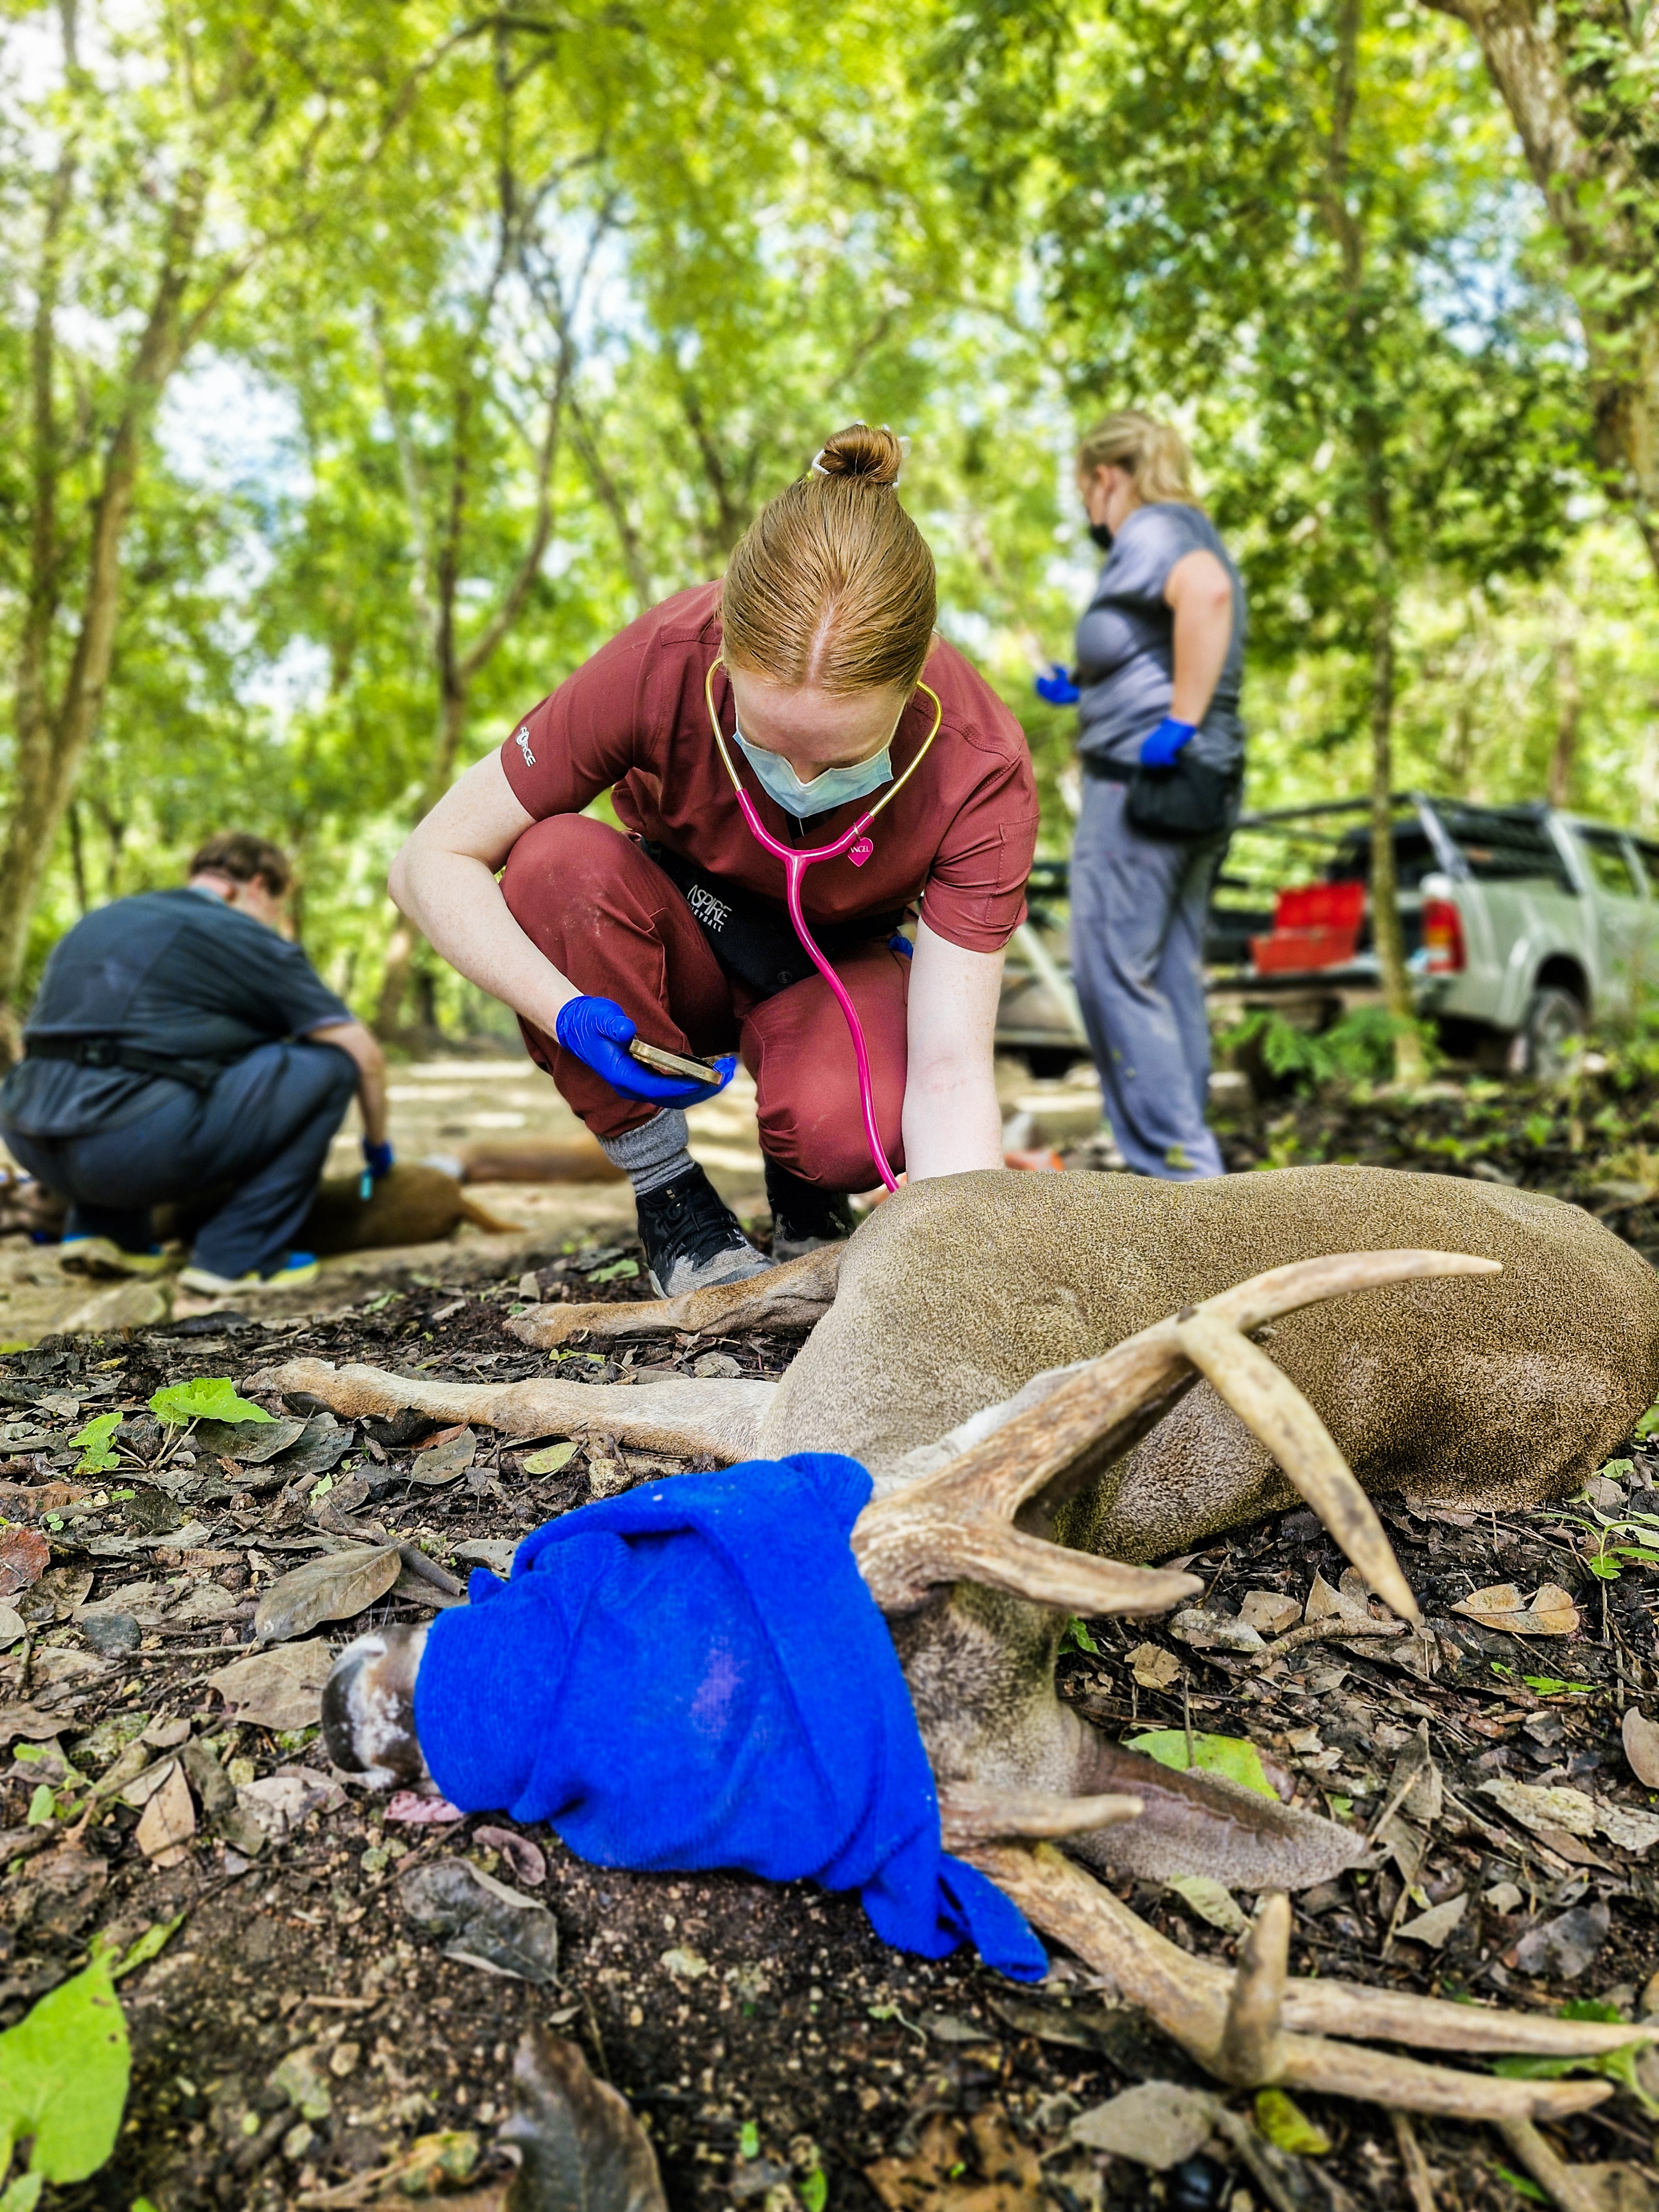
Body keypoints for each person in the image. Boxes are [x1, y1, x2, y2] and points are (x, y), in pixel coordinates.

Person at [389, 422, 1038, 1297]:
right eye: (771, 742)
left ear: (915, 673)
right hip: (673, 935)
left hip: (832, 973)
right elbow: (428, 860)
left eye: (841, 757)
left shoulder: (980, 766)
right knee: (551, 866)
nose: (800, 780)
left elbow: (954, 1069)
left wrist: (965, 1287)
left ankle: (807, 1192)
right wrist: (566, 1011)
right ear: (726, 646)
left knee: (858, 1124)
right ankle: (675, 1206)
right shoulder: (659, 661)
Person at [0, 832, 390, 1291]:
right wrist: (377, 1144)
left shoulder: (105, 918)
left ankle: (107, 1233)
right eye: (277, 908)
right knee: (331, 1066)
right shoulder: (243, 933)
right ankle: (241, 1254)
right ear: (259, 886)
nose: (274, 922)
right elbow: (363, 1055)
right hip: (125, 1146)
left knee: (131, 1069)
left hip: (29, 1135)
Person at [1043, 412, 1245, 1180]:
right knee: (1164, 971)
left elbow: (1208, 596)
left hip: (1143, 787)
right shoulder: (1192, 526)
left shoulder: (1155, 530)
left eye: (1083, 491)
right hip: (1197, 790)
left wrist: (1180, 720)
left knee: (1112, 972)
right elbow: (1150, 641)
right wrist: (1083, 685)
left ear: (1104, 477)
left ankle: (1181, 1175)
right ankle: (1195, 1177)